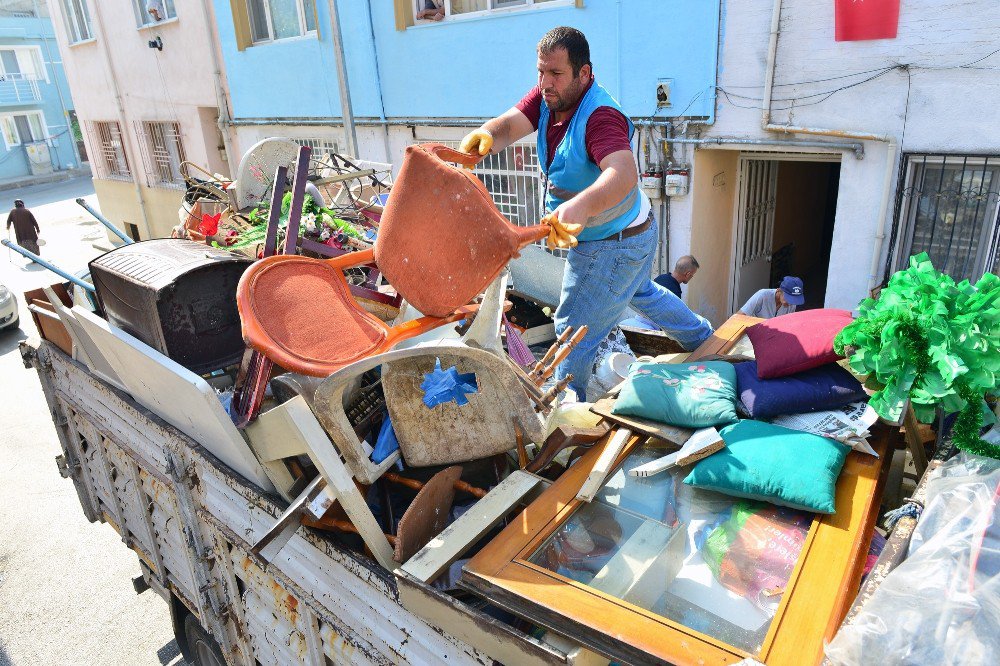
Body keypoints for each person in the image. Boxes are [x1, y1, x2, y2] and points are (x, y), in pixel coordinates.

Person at [460, 27, 713, 400]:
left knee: (572, 328)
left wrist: (578, 206)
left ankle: (566, 399)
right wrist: (485, 135)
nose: (545, 83)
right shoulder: (551, 96)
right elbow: (511, 125)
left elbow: (623, 173)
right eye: (540, 72)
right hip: (636, 230)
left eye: (556, 74)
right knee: (639, 291)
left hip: (611, 243)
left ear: (584, 72)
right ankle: (702, 337)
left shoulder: (600, 116)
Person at [739, 276, 805, 319]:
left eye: (794, 300)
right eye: (788, 298)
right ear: (779, 290)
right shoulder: (762, 295)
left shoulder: (792, 304)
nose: (790, 303)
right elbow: (739, 316)